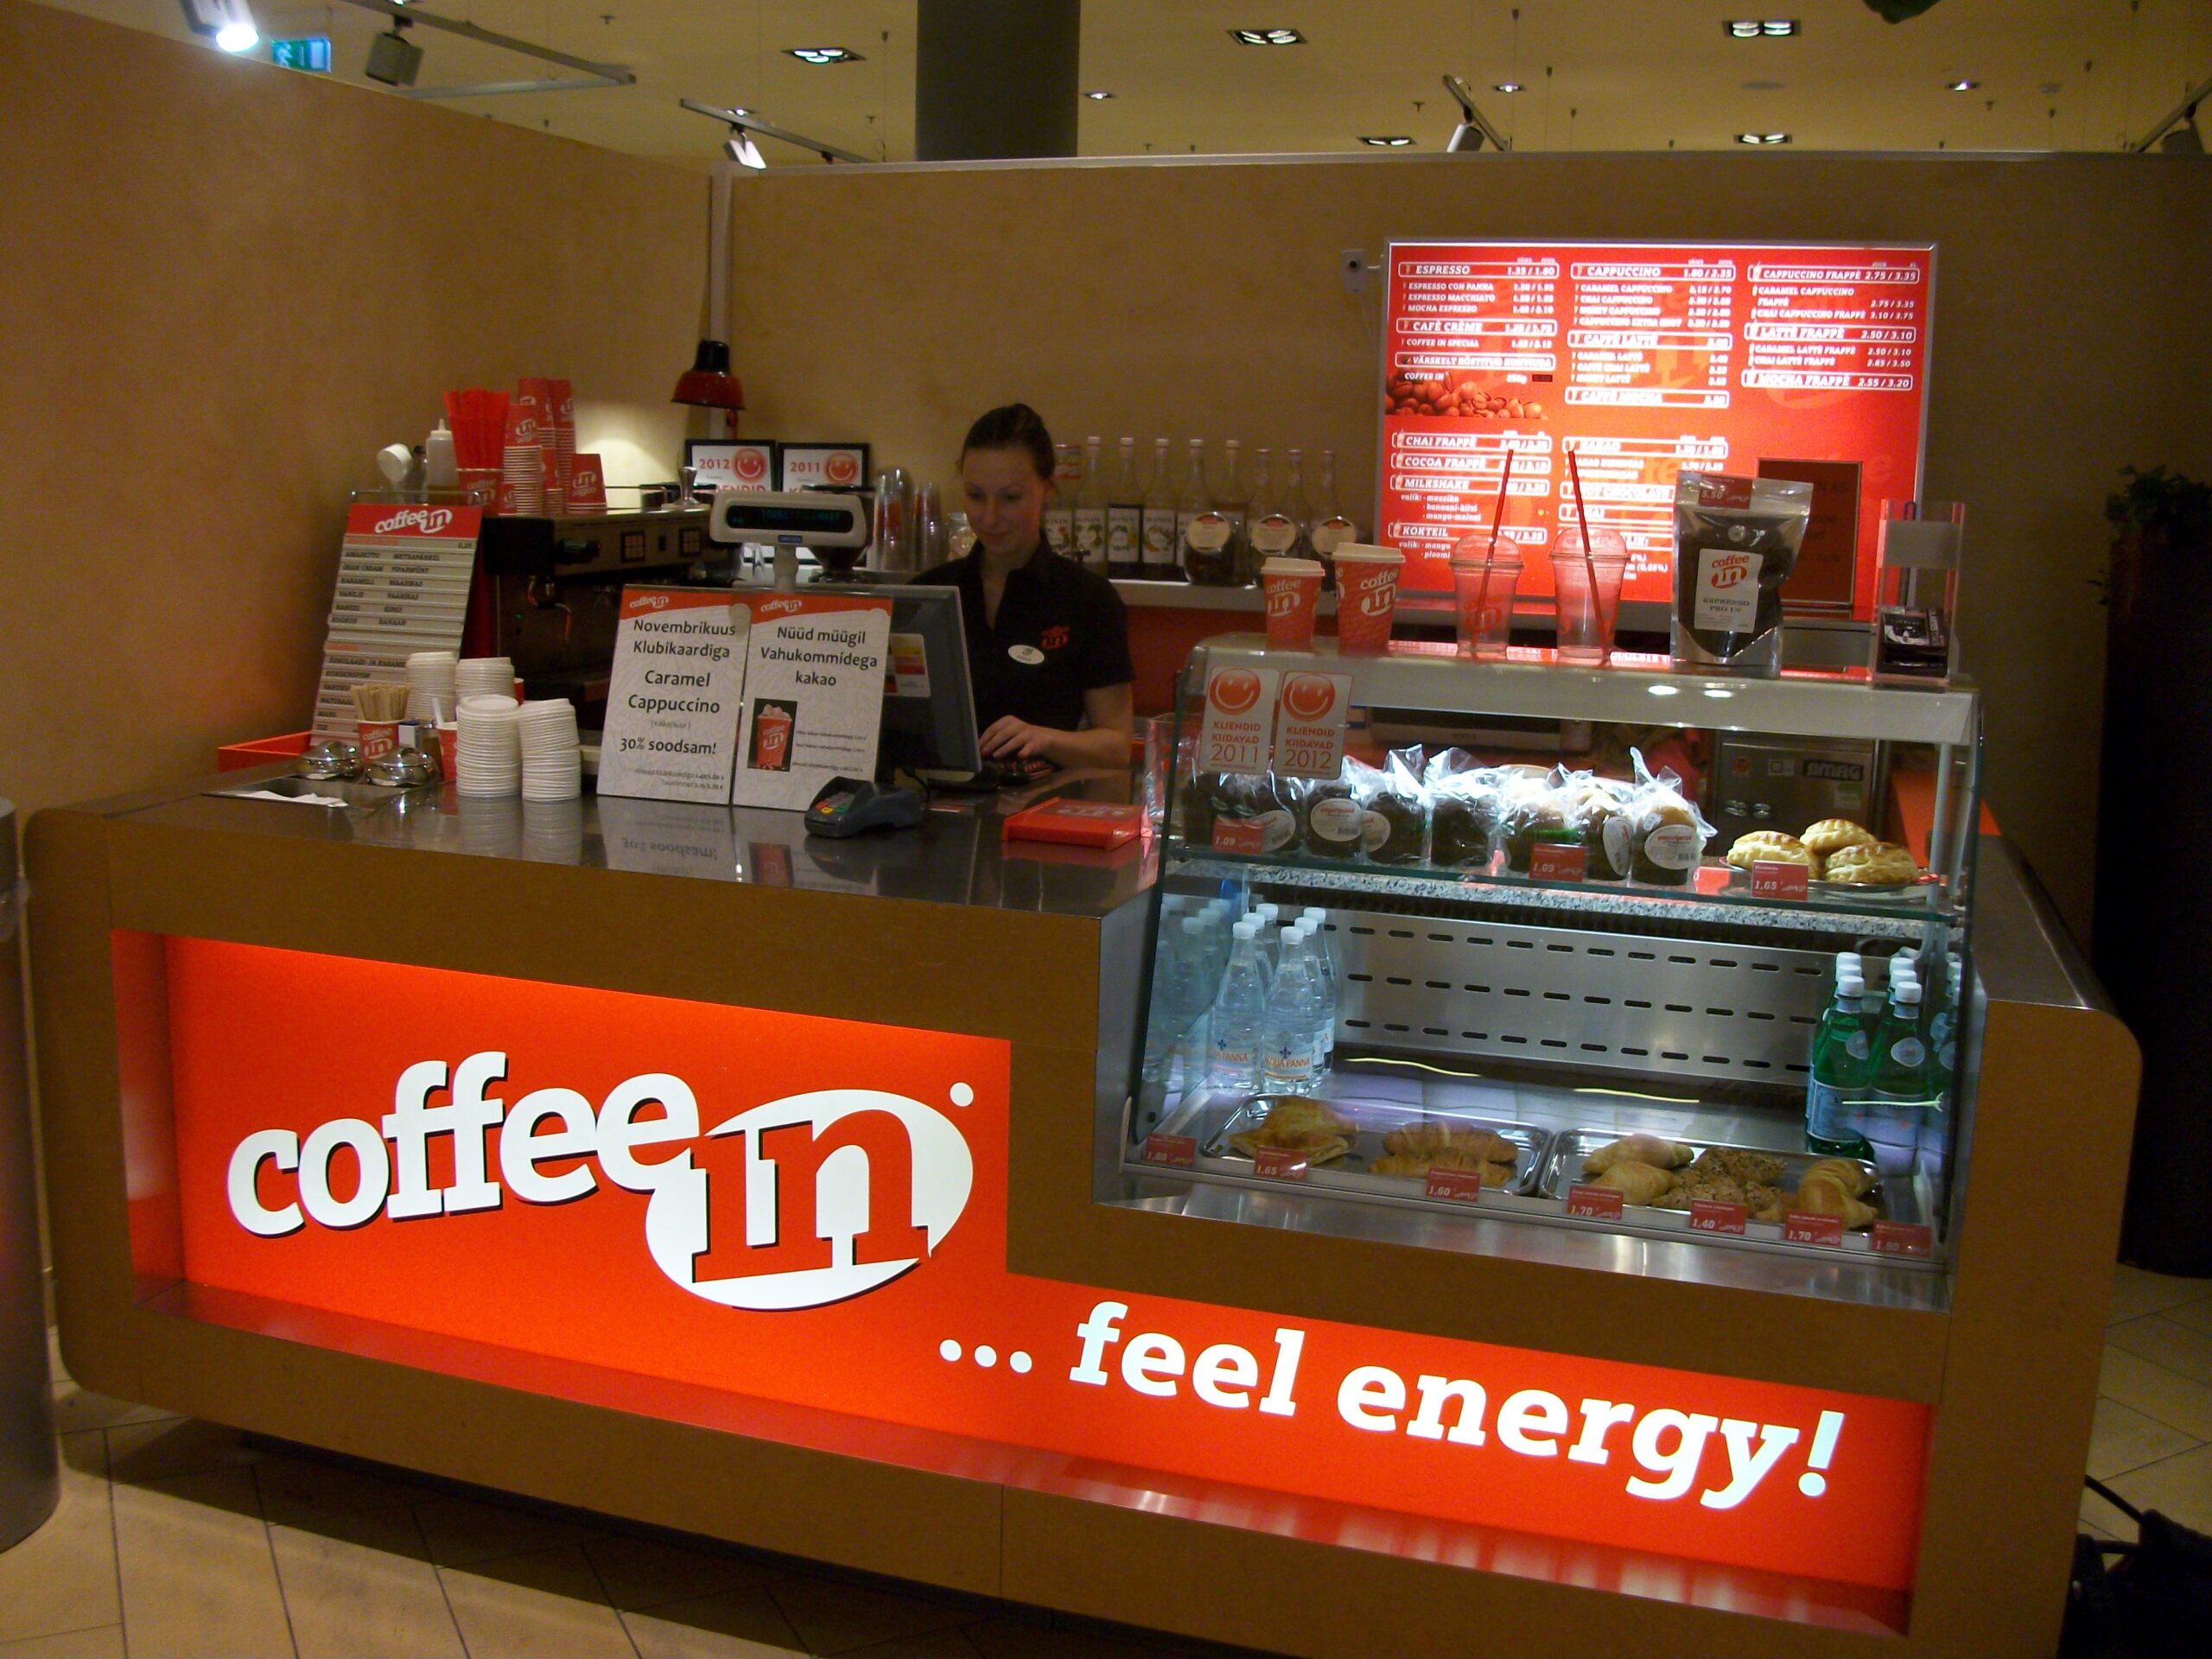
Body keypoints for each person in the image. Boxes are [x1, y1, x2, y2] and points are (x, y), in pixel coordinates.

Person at [912, 404, 1135, 771]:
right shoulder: (928, 594)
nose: (990, 517)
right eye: (975, 495)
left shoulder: (1089, 599)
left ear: (1046, 489)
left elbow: (1116, 746)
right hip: (932, 798)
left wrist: (1045, 738)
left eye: (1011, 497)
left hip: (1045, 801)